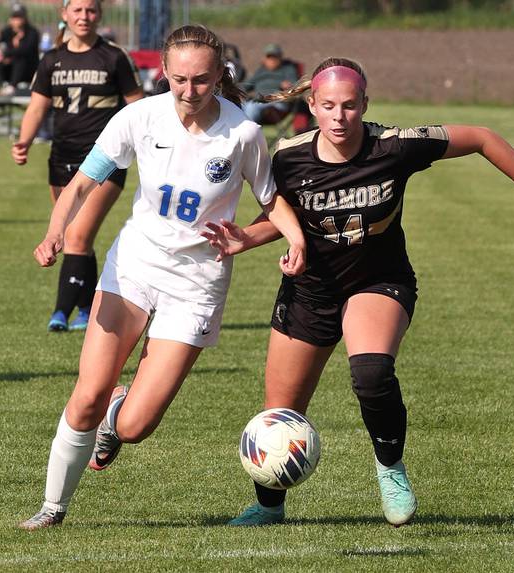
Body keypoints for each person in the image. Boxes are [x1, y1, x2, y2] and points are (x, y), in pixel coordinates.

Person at [201, 57, 514, 527]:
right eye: (329, 105)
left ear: (365, 105)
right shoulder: (289, 156)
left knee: (371, 373)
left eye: (350, 105)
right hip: (311, 289)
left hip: (378, 281)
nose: (340, 116)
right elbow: (283, 213)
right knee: (280, 413)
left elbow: (481, 137)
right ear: (312, 105)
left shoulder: (394, 146)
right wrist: (247, 238)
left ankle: (390, 468)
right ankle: (269, 506)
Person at [18, 24, 305, 530]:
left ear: (219, 75)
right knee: (86, 396)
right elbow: (83, 180)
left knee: (134, 425)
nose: (189, 91)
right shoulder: (139, 118)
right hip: (134, 265)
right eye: (178, 80)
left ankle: (118, 417)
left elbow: (269, 198)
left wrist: (296, 238)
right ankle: (51, 509)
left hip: (197, 283)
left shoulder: (243, 133)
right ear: (163, 75)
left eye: (200, 80)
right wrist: (54, 232)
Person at [11, 0, 142, 332]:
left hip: (105, 162)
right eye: (78, 10)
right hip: (61, 158)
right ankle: (86, 307)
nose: (84, 17)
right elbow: (37, 107)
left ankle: (61, 312)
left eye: (91, 11)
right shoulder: (51, 60)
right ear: (64, 15)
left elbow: (138, 109)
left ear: (100, 15)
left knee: (77, 235)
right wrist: (24, 141)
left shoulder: (114, 57)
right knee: (79, 238)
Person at [241, 43, 300, 124]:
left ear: (280, 57)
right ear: (264, 58)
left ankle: (249, 133)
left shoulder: (288, 69)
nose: (272, 60)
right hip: (258, 100)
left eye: (275, 57)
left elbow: (295, 86)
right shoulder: (261, 70)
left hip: (276, 102)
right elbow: (247, 84)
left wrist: (288, 86)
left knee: (251, 107)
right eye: (269, 57)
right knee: (236, 106)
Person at [0, 3, 39, 95]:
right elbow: (0, 48)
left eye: (19, 17)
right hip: (9, 69)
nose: (16, 20)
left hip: (28, 70)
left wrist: (11, 51)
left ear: (25, 18)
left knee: (19, 58)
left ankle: (12, 87)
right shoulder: (6, 32)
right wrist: (6, 55)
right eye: (14, 17)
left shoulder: (32, 32)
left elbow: (25, 51)